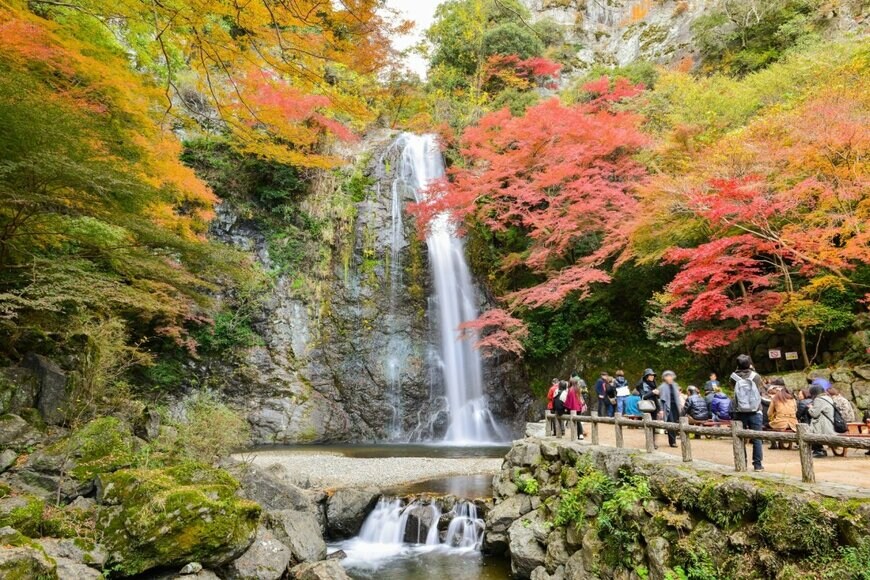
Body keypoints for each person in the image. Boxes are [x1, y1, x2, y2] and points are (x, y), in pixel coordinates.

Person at [730, 354, 765, 471]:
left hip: (739, 411)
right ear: (749, 364)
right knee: (757, 438)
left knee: (740, 438)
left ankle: (742, 463)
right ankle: (757, 465)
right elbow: (759, 390)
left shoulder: (733, 377)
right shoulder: (756, 376)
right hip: (755, 411)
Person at [808, 385, 836, 458]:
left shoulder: (818, 399)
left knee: (811, 431)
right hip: (830, 423)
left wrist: (810, 408)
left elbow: (814, 414)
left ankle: (819, 450)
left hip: (823, 424)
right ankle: (820, 450)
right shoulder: (828, 398)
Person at [658, 370, 681, 448]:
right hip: (667, 406)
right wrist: (661, 410)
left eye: (670, 376)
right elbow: (661, 400)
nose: (669, 377)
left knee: (675, 423)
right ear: (664, 378)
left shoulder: (675, 385)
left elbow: (678, 397)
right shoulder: (662, 387)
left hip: (675, 406)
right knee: (670, 422)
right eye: (667, 376)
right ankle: (672, 442)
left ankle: (673, 439)